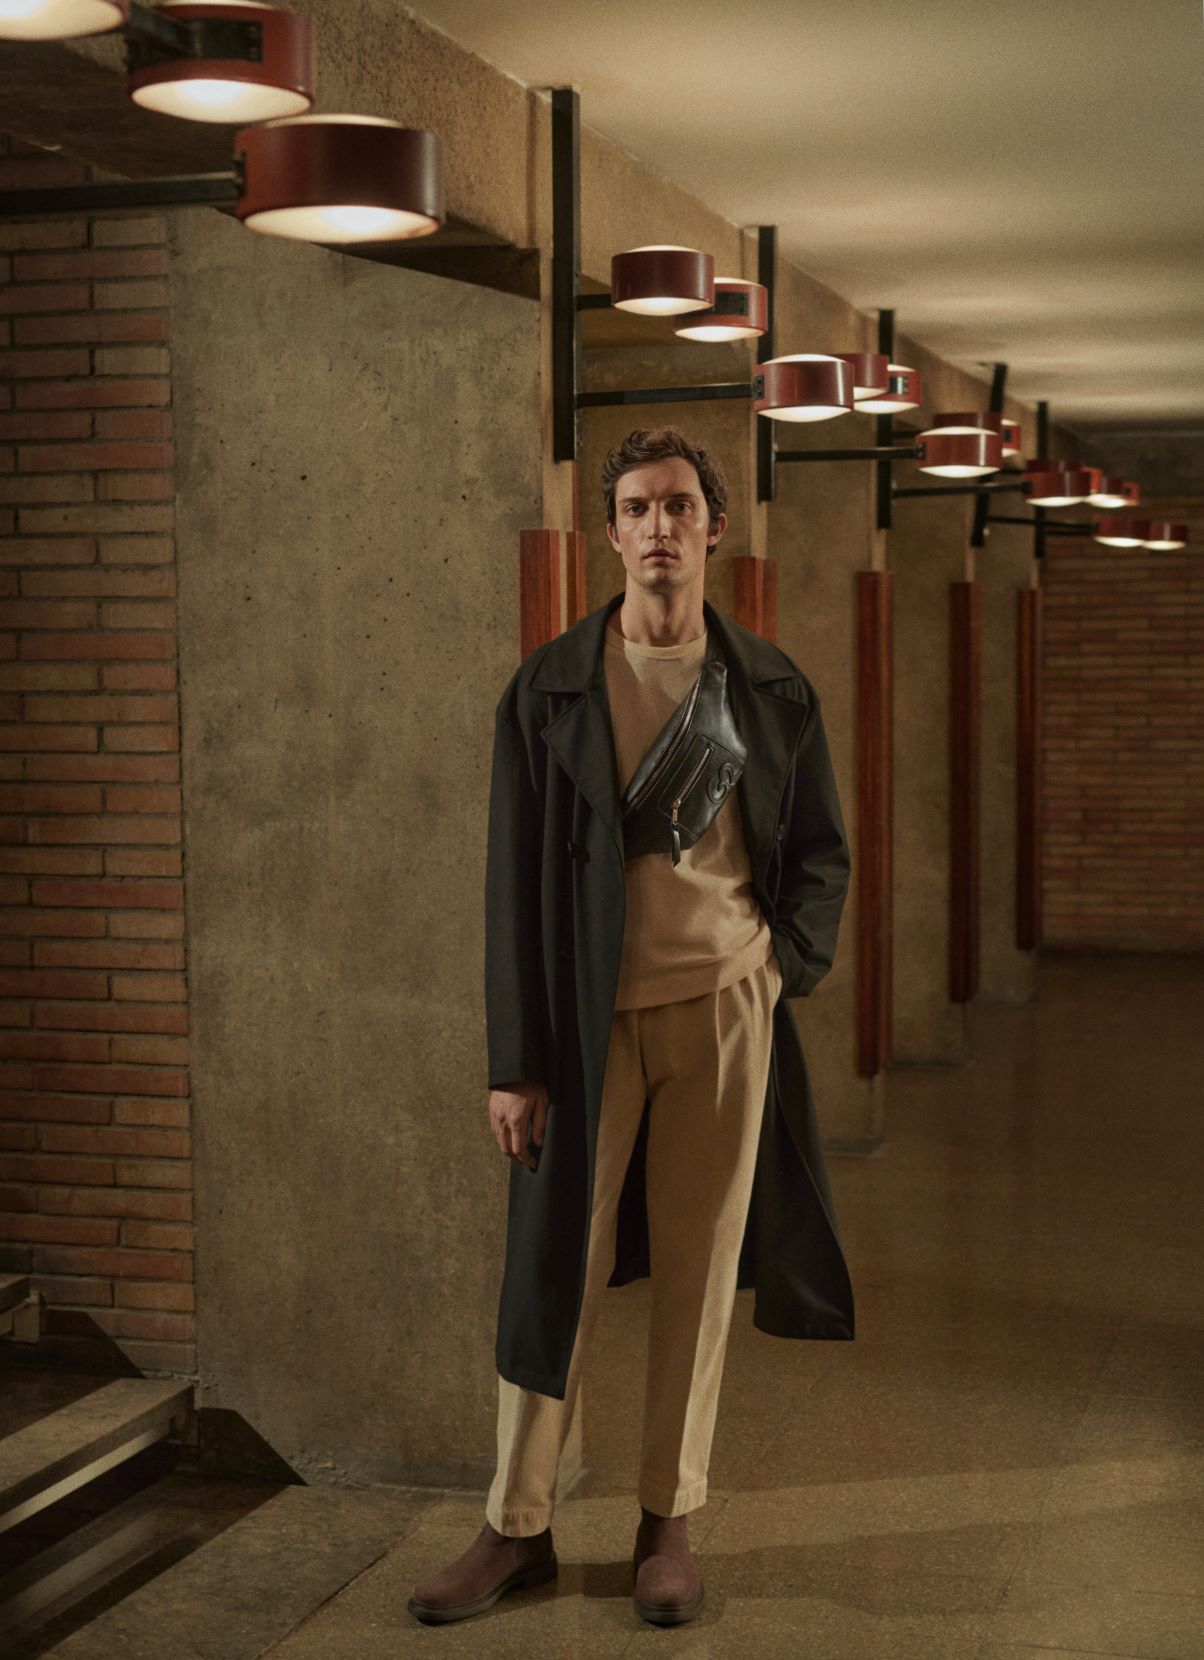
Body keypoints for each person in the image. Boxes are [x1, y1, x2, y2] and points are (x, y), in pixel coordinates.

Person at [409, 426, 853, 1628]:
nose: (660, 526)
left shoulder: (769, 689)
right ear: (610, 533)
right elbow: (510, 885)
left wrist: (778, 967)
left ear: (713, 527)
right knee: (553, 1266)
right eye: (639, 508)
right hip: (581, 1025)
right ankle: (516, 1525)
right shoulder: (548, 688)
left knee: (702, 1270)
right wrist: (515, 1063)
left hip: (725, 1010)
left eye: (679, 506)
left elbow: (818, 851)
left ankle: (669, 1518)